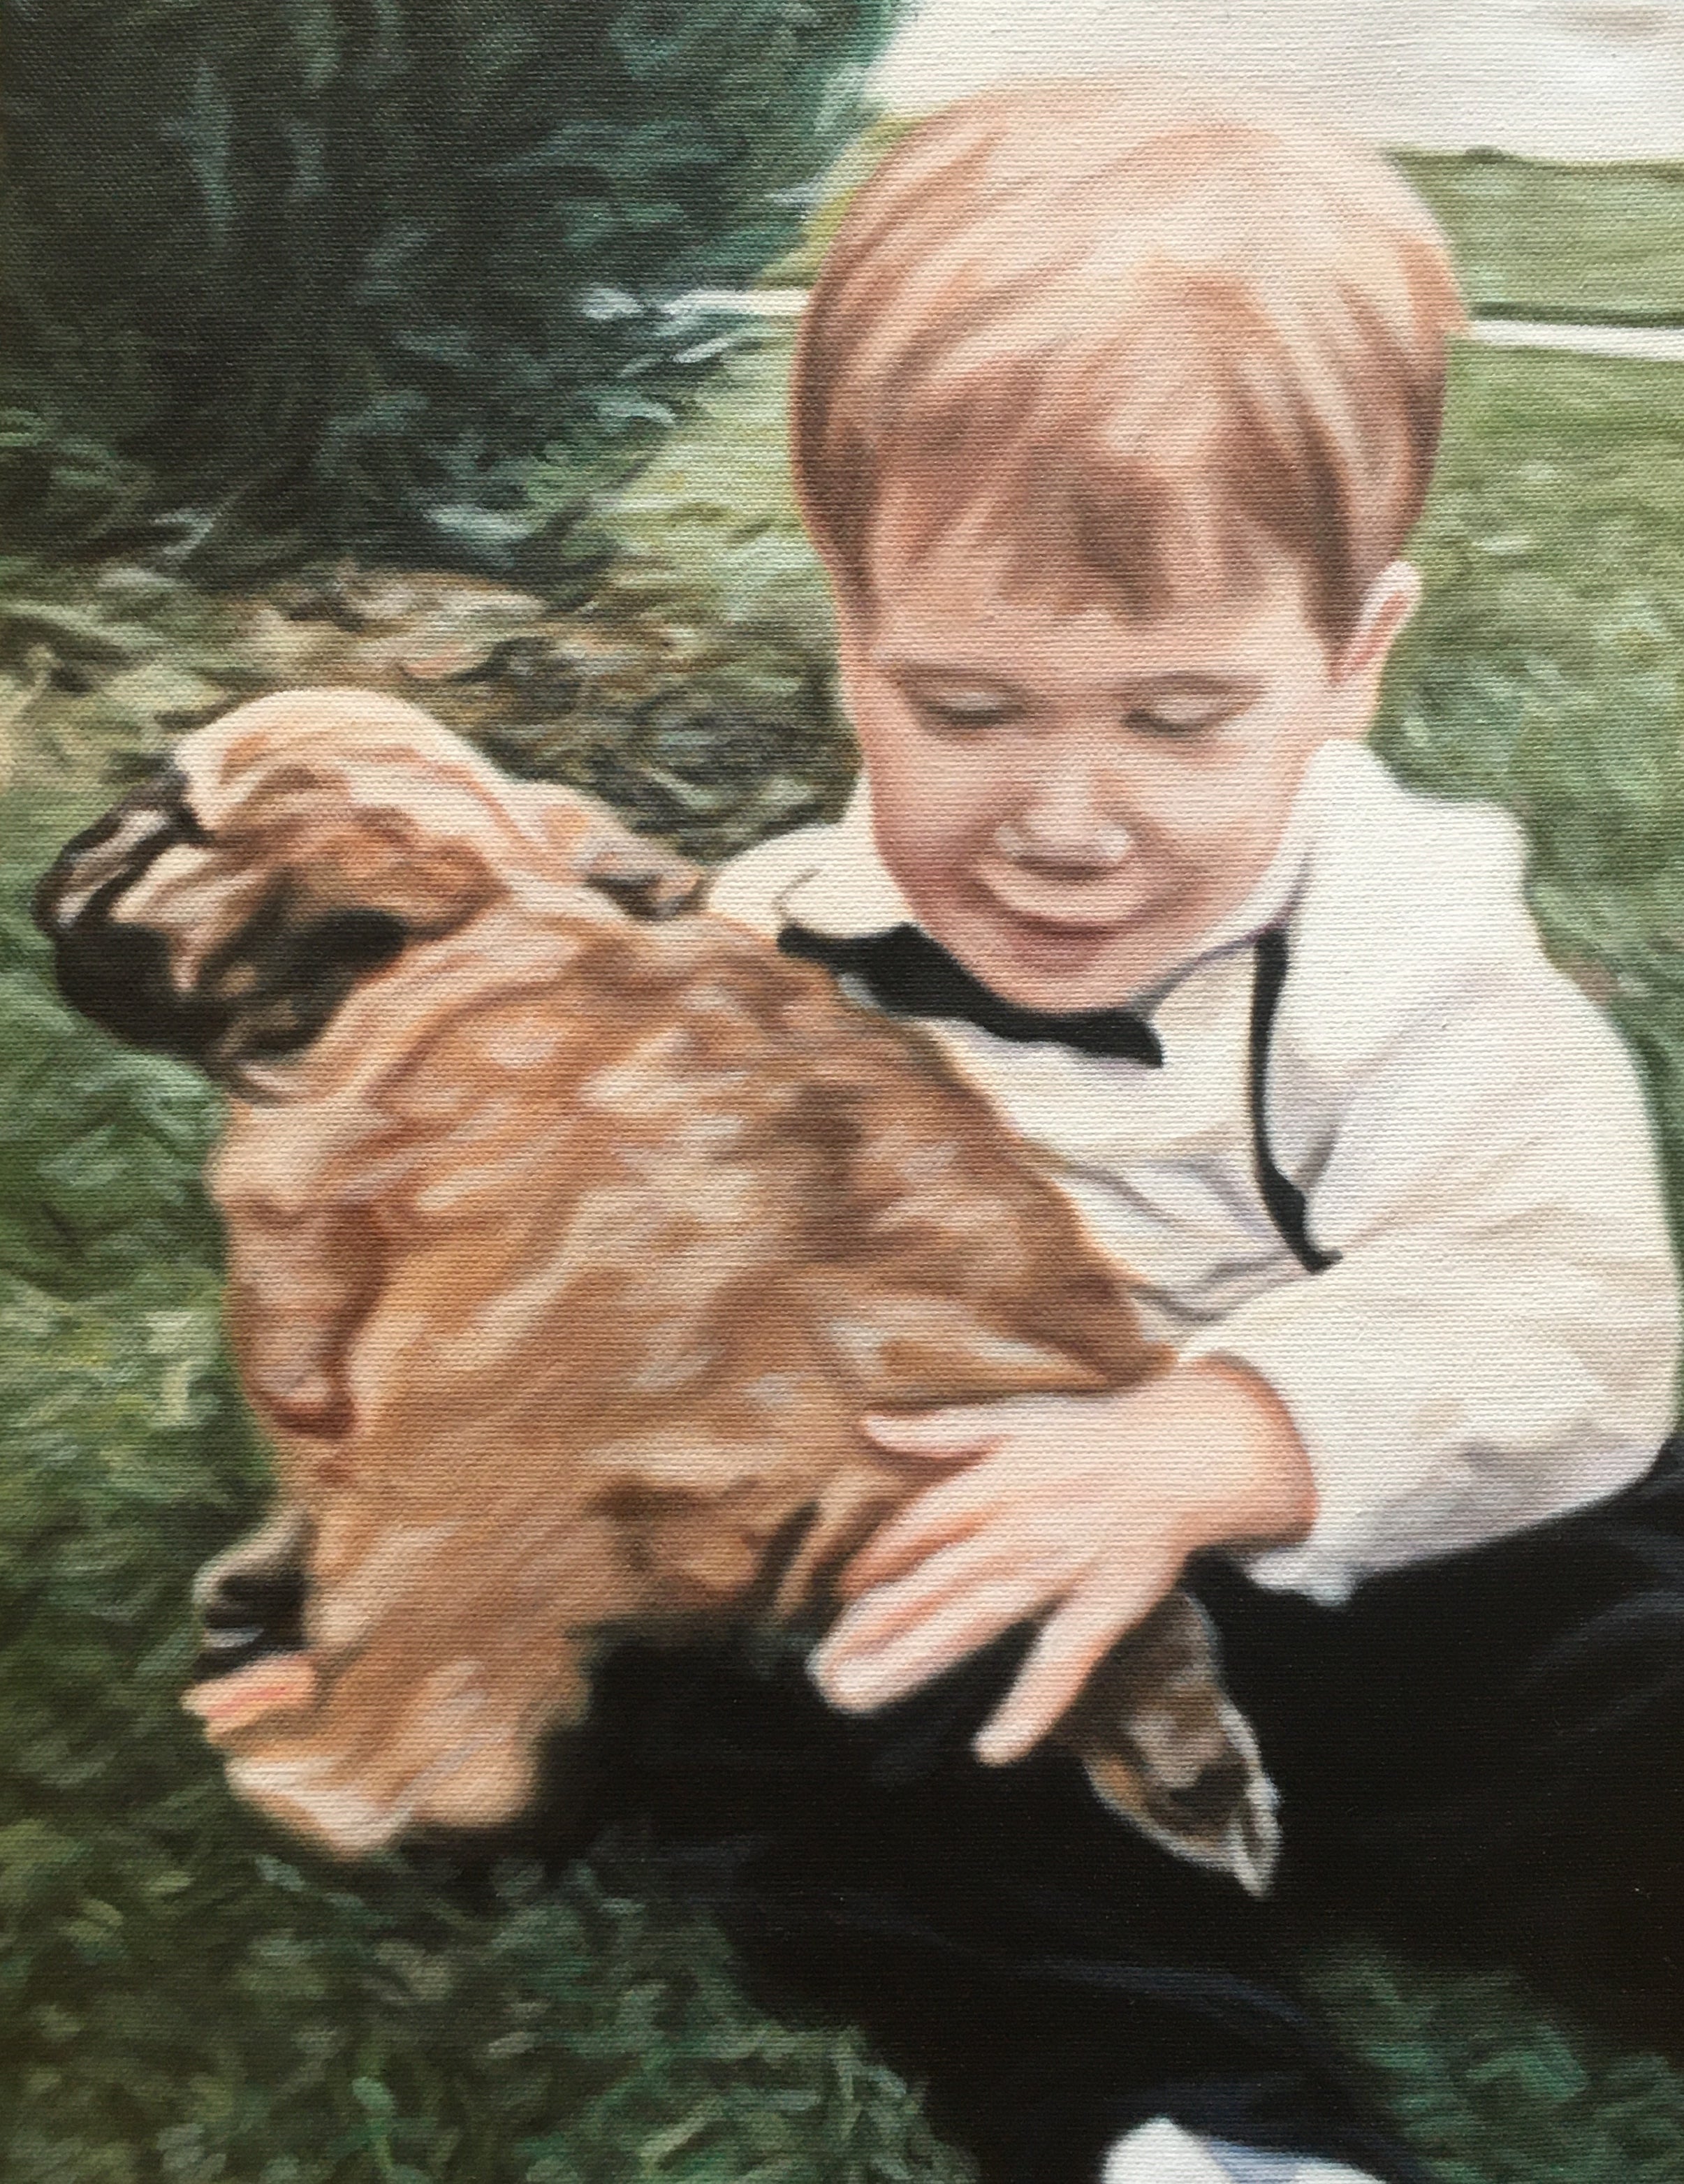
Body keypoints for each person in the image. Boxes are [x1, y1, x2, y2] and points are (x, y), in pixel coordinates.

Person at [573, 80, 1683, 2184]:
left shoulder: (1400, 950)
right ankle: (1193, 2128)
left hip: (1417, 1547)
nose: (1067, 823)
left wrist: (1214, 1446)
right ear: (850, 632)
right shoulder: (771, 952)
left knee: (1631, 1674)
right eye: (967, 710)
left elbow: (1557, 1303)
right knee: (846, 1730)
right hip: (1013, 1580)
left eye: (1178, 721)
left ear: (1350, 662)